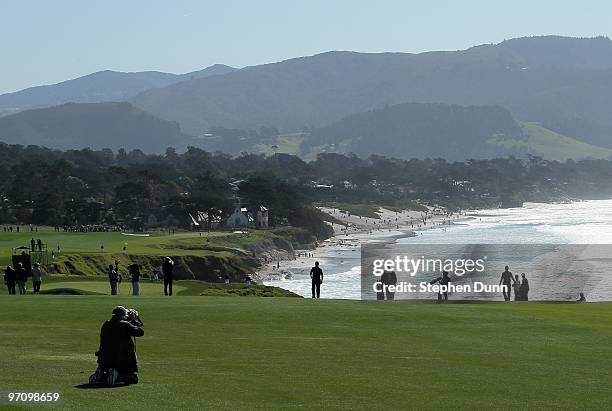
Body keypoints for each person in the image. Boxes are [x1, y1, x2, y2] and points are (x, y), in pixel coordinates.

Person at [90, 306, 144, 386]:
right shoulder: (125, 325)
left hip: (104, 360)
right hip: (121, 360)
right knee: (133, 378)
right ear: (123, 315)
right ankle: (116, 376)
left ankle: (102, 375)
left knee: (108, 374)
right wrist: (134, 320)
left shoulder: (106, 324)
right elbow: (140, 332)